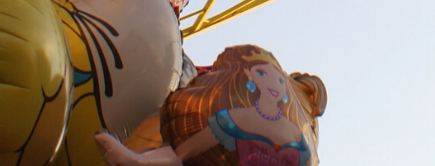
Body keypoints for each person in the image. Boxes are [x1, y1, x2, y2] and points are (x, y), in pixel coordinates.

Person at [97, 45, 322, 166]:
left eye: (280, 81)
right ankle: (138, 160)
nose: (275, 85)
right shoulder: (243, 117)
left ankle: (139, 160)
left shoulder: (297, 132)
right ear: (250, 77)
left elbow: (184, 150)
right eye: (262, 74)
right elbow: (187, 148)